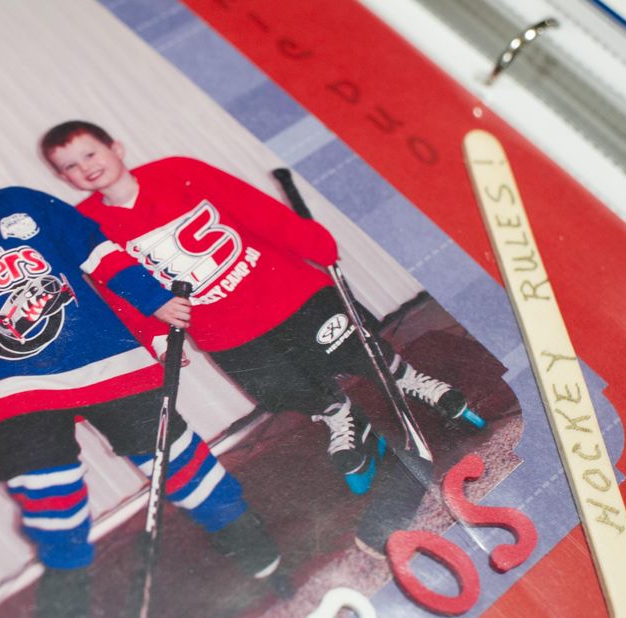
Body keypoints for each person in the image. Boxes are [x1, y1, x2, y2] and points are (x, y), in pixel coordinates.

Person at [0, 140, 280, 618]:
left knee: (170, 453)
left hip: (101, 355)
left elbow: (101, 255)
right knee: (39, 480)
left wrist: (153, 302)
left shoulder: (20, 204)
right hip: (9, 381)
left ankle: (236, 525)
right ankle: (66, 569)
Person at [40, 121, 485, 495]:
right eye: (71, 166)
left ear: (115, 147)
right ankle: (343, 419)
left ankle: (412, 381)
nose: (86, 168)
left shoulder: (177, 172)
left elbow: (249, 207)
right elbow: (119, 287)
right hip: (226, 329)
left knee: (355, 351)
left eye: (90, 153)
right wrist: (155, 335)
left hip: (289, 291)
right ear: (64, 178)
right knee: (282, 387)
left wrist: (306, 239)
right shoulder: (90, 226)